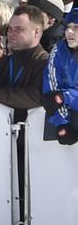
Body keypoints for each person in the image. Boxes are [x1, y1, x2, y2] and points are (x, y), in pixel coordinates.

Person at [0, 4, 48, 114]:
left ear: (36, 32)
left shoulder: (45, 63)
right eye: (10, 29)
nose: (11, 34)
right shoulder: (2, 65)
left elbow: (37, 96)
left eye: (18, 29)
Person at [42, 10, 78, 144]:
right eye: (68, 26)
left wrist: (67, 96)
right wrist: (62, 123)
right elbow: (51, 94)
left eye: (76, 27)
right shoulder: (58, 50)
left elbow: (61, 96)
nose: (69, 32)